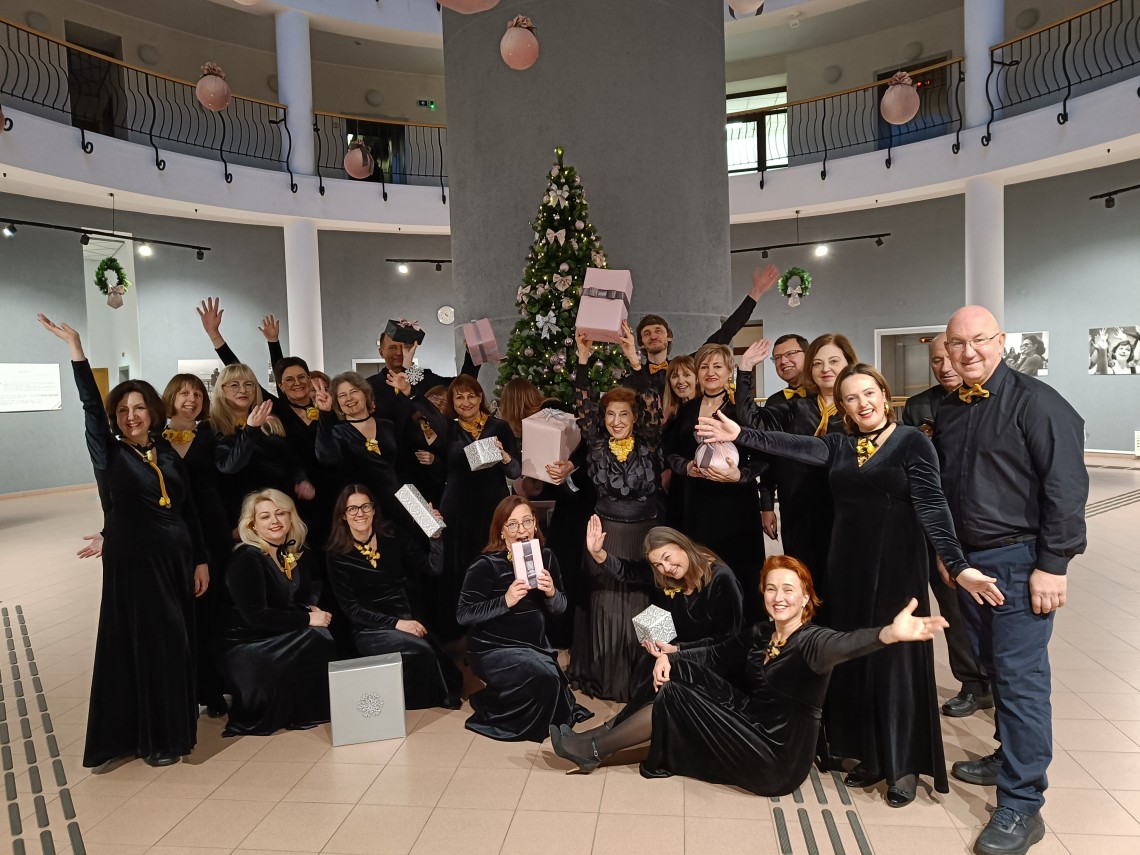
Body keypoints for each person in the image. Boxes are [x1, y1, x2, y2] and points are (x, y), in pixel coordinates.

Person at [698, 364, 1001, 806]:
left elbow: (933, 506)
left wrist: (958, 566)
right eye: (852, 398)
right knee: (856, 656)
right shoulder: (840, 444)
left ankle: (903, 765)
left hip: (897, 567)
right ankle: (870, 756)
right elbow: (793, 445)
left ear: (884, 393)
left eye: (869, 393)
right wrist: (742, 433)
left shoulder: (911, 441)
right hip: (847, 566)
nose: (863, 404)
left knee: (896, 659)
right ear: (843, 406)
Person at [549, 555, 949, 797]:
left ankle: (594, 750)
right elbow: (717, 654)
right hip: (751, 721)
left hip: (776, 756)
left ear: (806, 597)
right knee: (678, 671)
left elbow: (846, 644)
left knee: (674, 695)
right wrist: (672, 655)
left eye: (788, 590)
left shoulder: (813, 642)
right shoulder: (763, 632)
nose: (779, 597)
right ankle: (596, 737)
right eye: (771, 589)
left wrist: (888, 634)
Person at [935, 306, 1087, 855]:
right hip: (969, 566)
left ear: (1001, 341)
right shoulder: (951, 409)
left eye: (979, 340)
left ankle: (1022, 803)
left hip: (1021, 562)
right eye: (957, 343)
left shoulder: (1037, 403)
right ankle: (1008, 755)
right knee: (992, 668)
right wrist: (950, 556)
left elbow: (1066, 487)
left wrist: (1054, 564)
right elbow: (947, 489)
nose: (968, 352)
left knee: (1021, 680)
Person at [37, 314, 208, 771]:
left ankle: (168, 729)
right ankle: (151, 738)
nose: (131, 416)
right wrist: (77, 350)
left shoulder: (167, 451)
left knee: (174, 643)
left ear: (152, 412)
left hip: (175, 562)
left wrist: (200, 560)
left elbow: (188, 509)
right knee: (146, 642)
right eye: (123, 411)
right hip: (134, 564)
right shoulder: (108, 454)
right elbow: (91, 409)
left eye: (139, 408)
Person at [567, 323, 661, 702]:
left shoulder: (649, 441)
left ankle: (649, 676)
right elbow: (582, 403)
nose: (616, 421)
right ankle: (606, 676)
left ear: (635, 418)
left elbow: (652, 400)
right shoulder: (595, 443)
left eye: (623, 414)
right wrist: (583, 359)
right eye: (610, 415)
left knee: (646, 601)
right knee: (605, 603)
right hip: (604, 533)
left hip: (644, 534)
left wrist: (634, 360)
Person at [902, 333, 992, 718]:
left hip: (979, 522)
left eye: (948, 357)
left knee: (984, 609)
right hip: (931, 520)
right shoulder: (918, 406)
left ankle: (996, 682)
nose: (944, 367)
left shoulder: (987, 401)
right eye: (936, 360)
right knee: (951, 608)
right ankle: (973, 684)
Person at [734, 333, 857, 613]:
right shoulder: (794, 407)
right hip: (799, 510)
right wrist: (745, 369)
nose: (825, 369)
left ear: (848, 363)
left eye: (834, 361)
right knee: (806, 586)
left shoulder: (858, 407)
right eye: (818, 363)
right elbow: (752, 421)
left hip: (845, 512)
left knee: (844, 587)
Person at [456, 496, 591, 741]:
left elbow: (560, 608)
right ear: (501, 530)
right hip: (493, 648)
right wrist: (505, 600)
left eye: (527, 521)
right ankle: (503, 709)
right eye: (513, 524)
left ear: (535, 524)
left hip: (534, 646)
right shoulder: (486, 564)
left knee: (552, 683)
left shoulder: (546, 557)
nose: (522, 530)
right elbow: (464, 614)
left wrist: (551, 592)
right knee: (546, 679)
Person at [585, 518, 743, 716]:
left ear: (682, 545)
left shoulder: (721, 578)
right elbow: (628, 571)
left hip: (711, 661)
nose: (666, 568)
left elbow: (729, 642)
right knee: (645, 669)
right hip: (677, 651)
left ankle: (606, 734)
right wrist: (597, 553)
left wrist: (678, 650)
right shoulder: (669, 575)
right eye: (658, 564)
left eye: (667, 557)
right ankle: (607, 732)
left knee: (662, 687)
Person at [325, 484, 462, 710]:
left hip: (406, 617)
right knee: (421, 651)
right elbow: (352, 609)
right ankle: (419, 704)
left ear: (373, 510)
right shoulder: (336, 555)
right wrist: (397, 624)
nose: (360, 513)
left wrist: (435, 536)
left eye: (365, 506)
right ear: (343, 515)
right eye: (352, 509)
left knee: (447, 669)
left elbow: (433, 568)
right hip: (371, 628)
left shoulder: (391, 534)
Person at [216, 489, 336, 736]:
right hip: (247, 645)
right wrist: (307, 618)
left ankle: (309, 710)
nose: (275, 521)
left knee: (320, 635)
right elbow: (256, 616)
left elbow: (313, 583)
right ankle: (303, 712)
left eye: (280, 513)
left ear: (291, 517)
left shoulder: (290, 551)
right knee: (316, 636)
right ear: (253, 524)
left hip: (274, 635)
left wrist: (309, 606)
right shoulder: (247, 556)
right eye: (265, 516)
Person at [663, 343, 768, 623]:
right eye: (704, 366)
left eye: (718, 366)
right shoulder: (687, 410)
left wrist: (741, 475)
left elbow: (764, 456)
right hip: (696, 503)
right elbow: (670, 453)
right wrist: (686, 467)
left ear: (729, 371)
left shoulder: (741, 410)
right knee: (700, 568)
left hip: (736, 504)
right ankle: (705, 631)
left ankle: (745, 633)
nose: (710, 372)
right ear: (698, 373)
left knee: (739, 569)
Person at [421, 373, 520, 641]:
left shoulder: (499, 427)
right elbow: (440, 469)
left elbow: (515, 471)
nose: (465, 402)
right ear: (452, 402)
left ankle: (496, 624)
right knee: (459, 569)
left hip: (493, 510)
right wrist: (432, 460)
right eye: (459, 397)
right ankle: (458, 632)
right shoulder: (447, 429)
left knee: (494, 565)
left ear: (480, 397)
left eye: (471, 396)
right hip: (457, 511)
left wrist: (504, 456)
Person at [498, 377, 594, 649]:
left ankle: (566, 637)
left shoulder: (551, 412)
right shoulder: (547, 416)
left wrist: (565, 470)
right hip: (571, 504)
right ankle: (563, 636)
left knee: (566, 567)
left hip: (580, 503)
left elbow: (582, 450)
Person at [161, 373, 232, 718]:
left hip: (212, 533)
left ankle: (212, 688)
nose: (191, 400)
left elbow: (229, 471)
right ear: (171, 398)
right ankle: (181, 690)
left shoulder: (211, 434)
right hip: (172, 535)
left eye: (198, 394)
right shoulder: (154, 440)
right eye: (184, 393)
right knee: (177, 616)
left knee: (211, 613)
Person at [637, 265, 780, 394]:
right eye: (647, 333)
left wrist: (756, 292)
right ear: (641, 343)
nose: (653, 336)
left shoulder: (688, 364)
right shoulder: (635, 374)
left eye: (658, 331)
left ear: (669, 337)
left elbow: (727, 331)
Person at [210, 363, 312, 528]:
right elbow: (229, 466)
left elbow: (291, 460)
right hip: (244, 516)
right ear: (222, 390)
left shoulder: (271, 421)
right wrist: (251, 430)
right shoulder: (212, 427)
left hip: (283, 509)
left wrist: (301, 479)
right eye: (234, 385)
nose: (243, 390)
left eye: (248, 384)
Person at [364, 319, 478, 431]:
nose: (399, 352)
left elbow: (463, 384)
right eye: (392, 347)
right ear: (381, 352)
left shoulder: (425, 378)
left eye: (404, 347)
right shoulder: (369, 386)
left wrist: (472, 352)